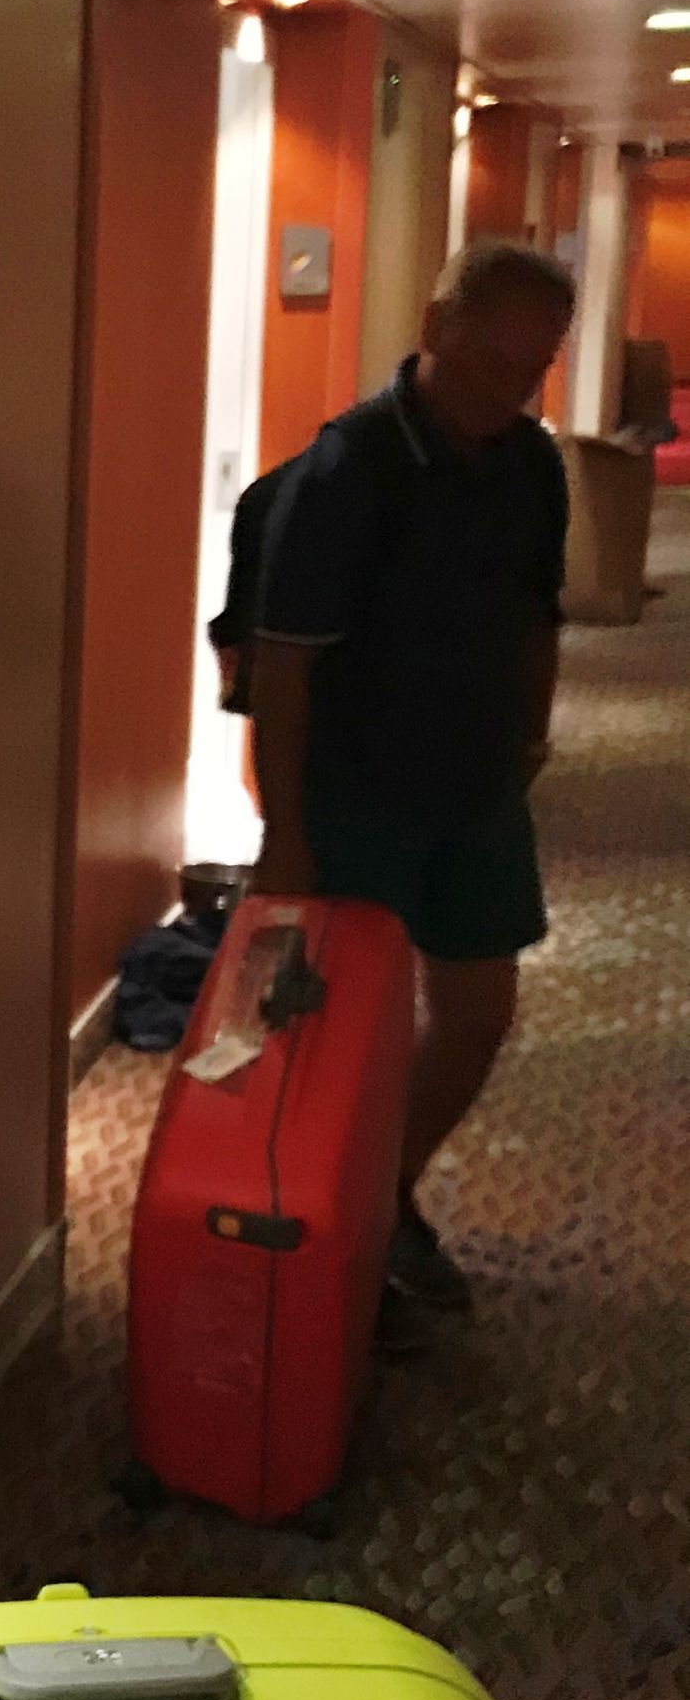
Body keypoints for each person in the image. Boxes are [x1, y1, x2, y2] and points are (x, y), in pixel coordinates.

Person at [249, 236, 575, 1317]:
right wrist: (283, 833)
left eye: (532, 369)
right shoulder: (348, 471)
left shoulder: (530, 464)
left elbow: (536, 614)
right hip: (358, 798)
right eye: (491, 362)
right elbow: (283, 668)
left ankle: (381, 1196)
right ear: (436, 329)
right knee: (350, 1039)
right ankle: (328, 1242)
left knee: (476, 1016)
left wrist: (530, 741)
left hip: (477, 788)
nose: (509, 390)